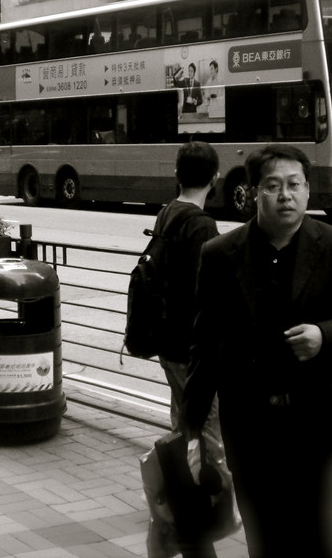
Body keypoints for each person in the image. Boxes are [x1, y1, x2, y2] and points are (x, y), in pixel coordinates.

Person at [183, 144, 332, 558]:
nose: (285, 195)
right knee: (264, 538)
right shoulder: (220, 254)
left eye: (294, 185)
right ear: (254, 193)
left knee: (317, 536)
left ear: (308, 191)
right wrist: (190, 429)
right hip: (251, 426)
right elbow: (204, 344)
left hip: (316, 422)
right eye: (272, 186)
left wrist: (326, 336)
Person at [150, 141, 228, 557]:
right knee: (207, 422)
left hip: (167, 339)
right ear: (214, 178)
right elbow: (208, 294)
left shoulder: (167, 213)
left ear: (177, 174)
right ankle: (209, 500)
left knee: (183, 416)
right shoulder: (201, 226)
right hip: (191, 344)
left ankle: (177, 490)